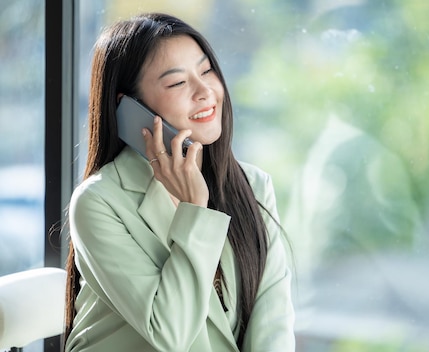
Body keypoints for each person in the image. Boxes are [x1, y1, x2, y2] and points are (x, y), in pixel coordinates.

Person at [63, 12, 294, 351]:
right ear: (128, 108)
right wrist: (194, 209)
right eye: (177, 83)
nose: (205, 92)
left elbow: (272, 323)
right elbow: (170, 335)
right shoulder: (98, 202)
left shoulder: (253, 185)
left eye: (206, 71)